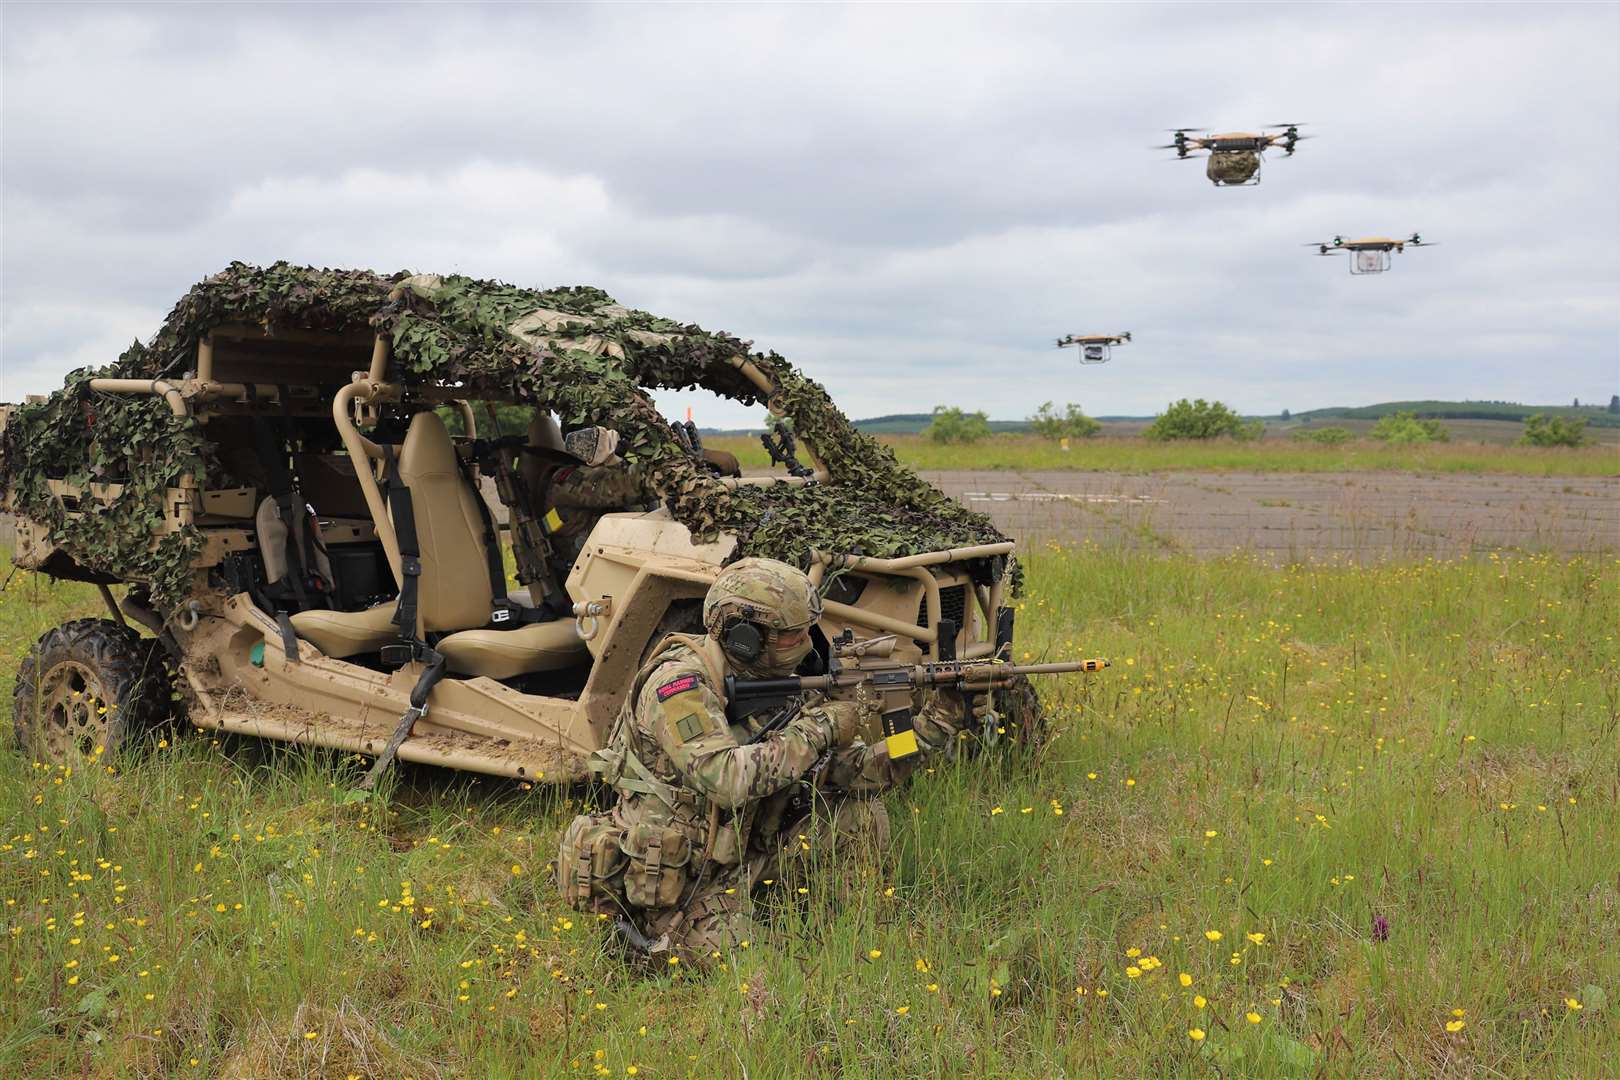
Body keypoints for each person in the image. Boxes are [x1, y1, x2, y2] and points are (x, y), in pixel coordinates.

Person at [556, 557, 964, 964]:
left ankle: (855, 930)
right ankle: (647, 933)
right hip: (684, 879)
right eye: (792, 635)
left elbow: (847, 771)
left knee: (859, 816)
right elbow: (725, 777)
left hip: (744, 851)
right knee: (764, 968)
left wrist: (934, 724)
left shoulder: (771, 676)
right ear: (744, 638)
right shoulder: (678, 685)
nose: (806, 643)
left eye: (808, 631)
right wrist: (820, 726)